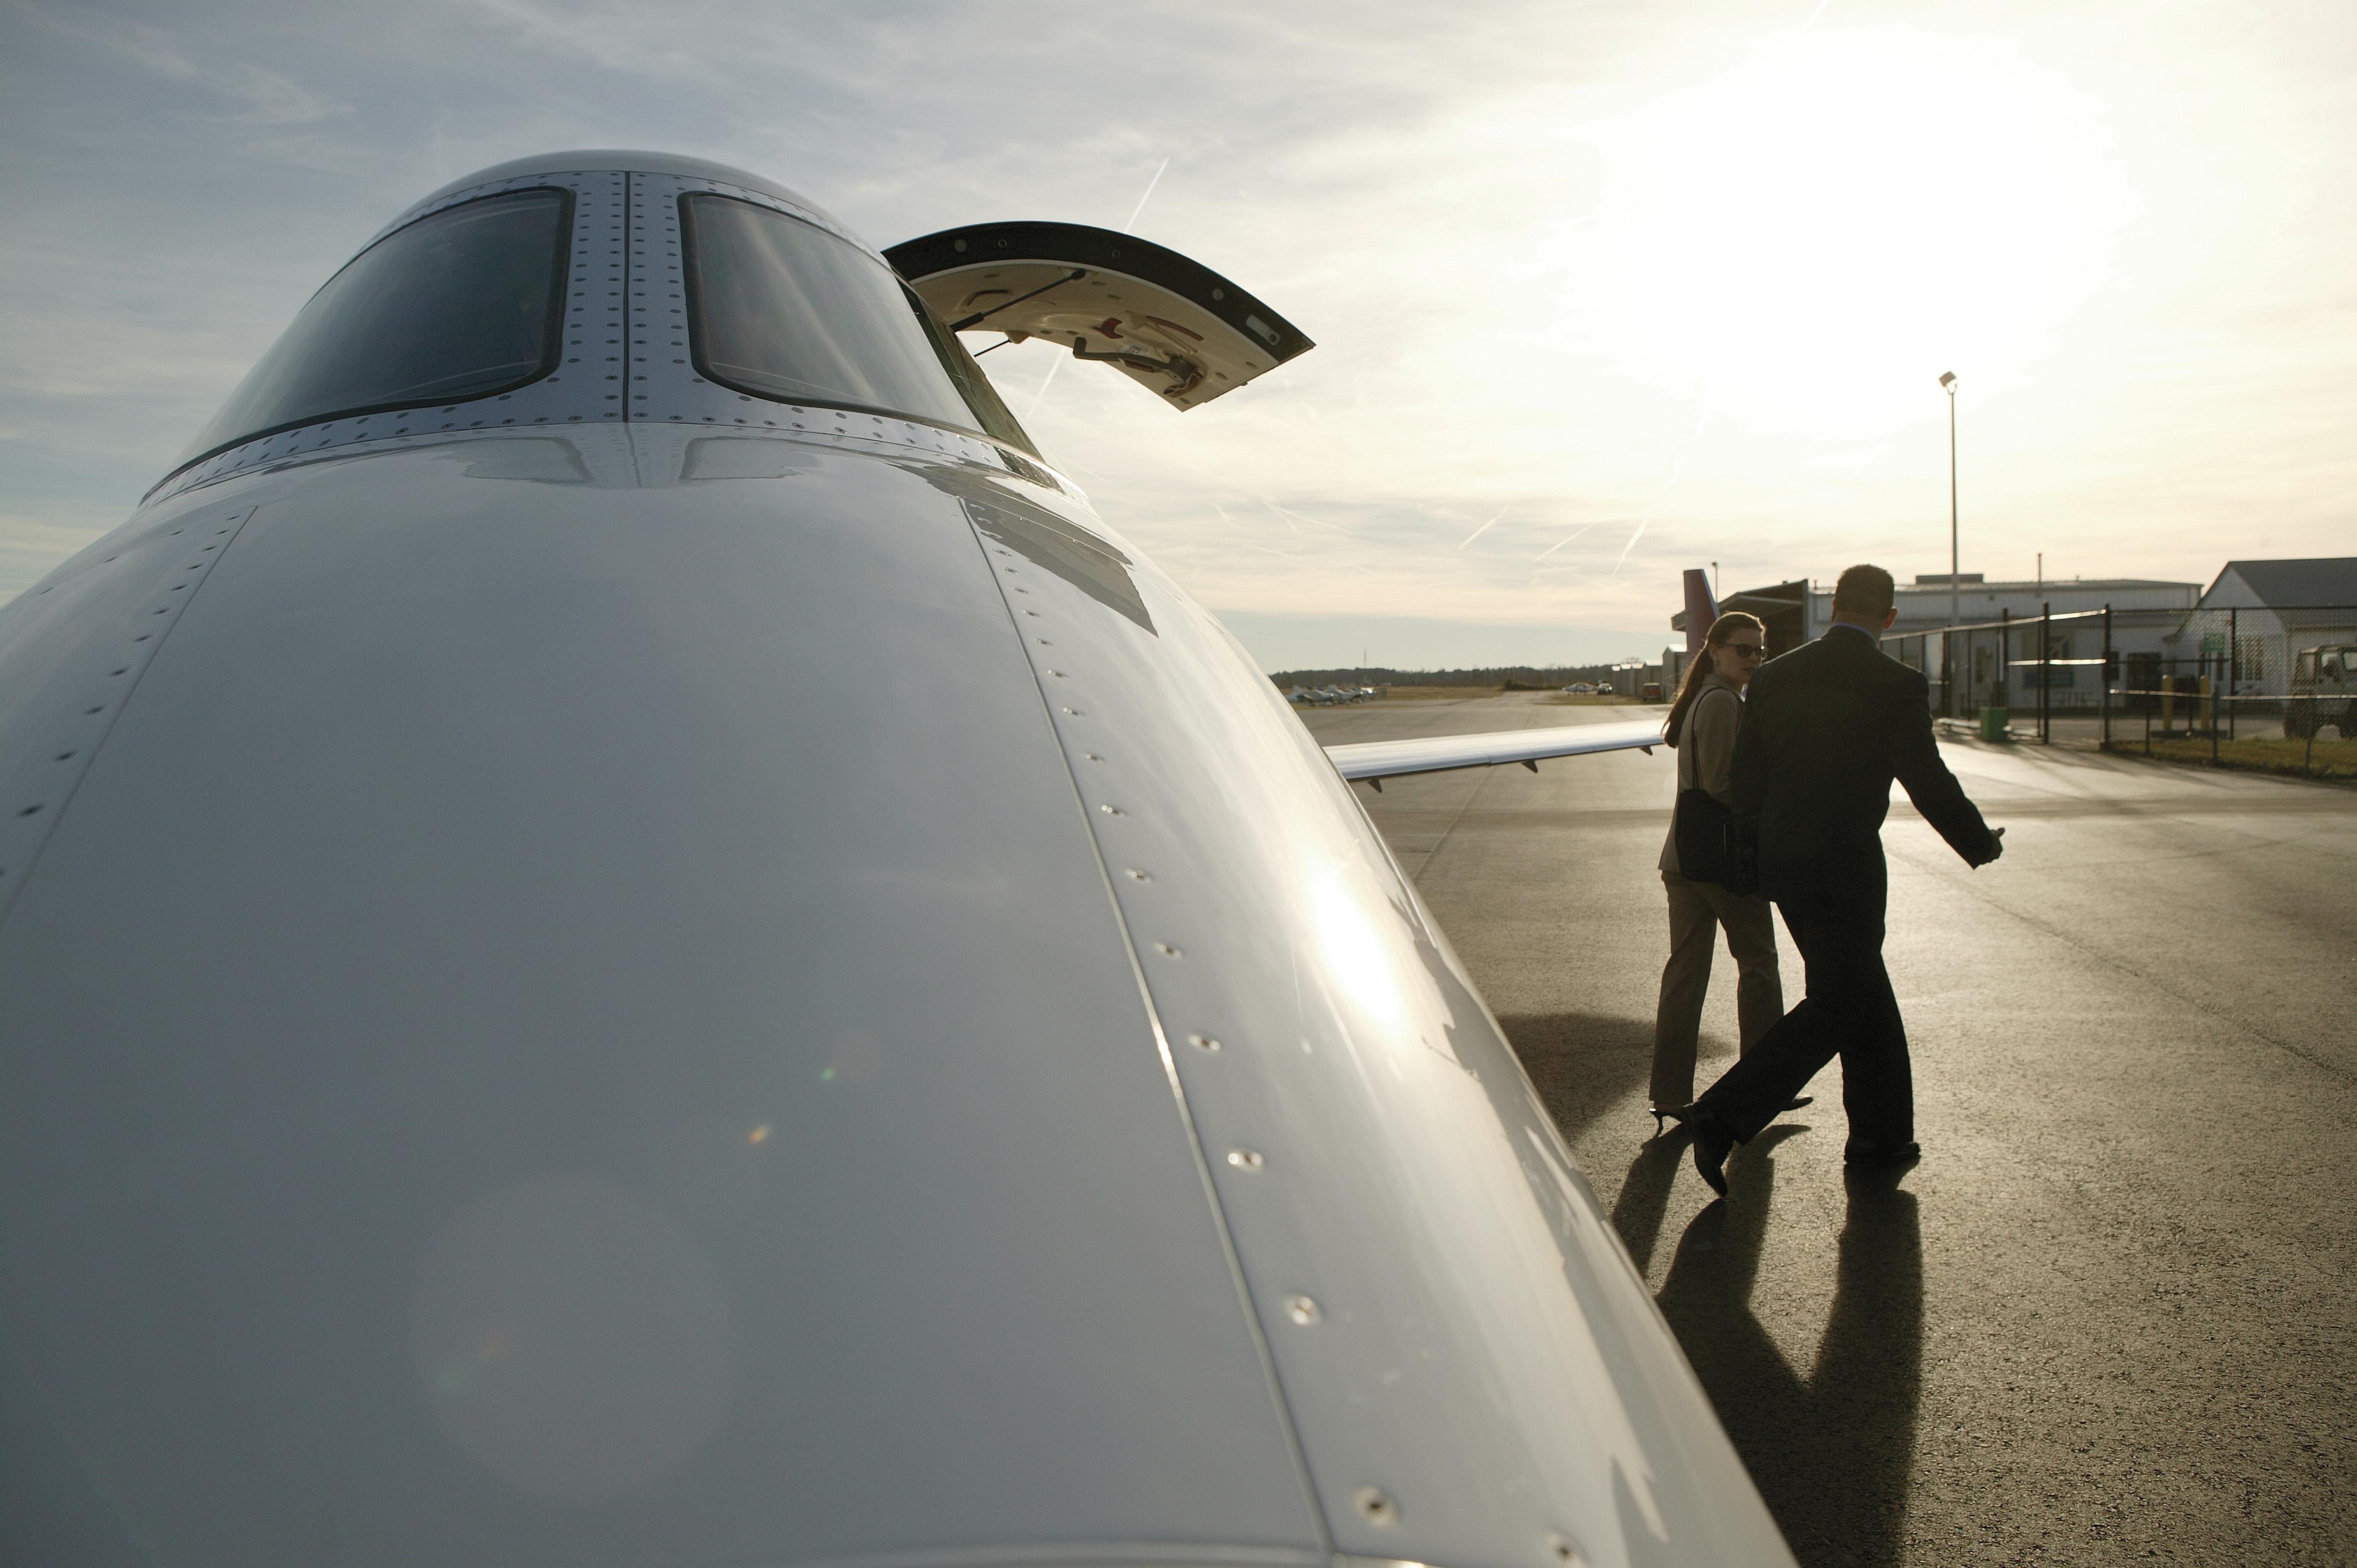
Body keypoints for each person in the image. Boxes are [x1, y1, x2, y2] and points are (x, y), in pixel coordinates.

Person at [1688, 564, 2005, 1196]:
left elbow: (1747, 780)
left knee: (1862, 996)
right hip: (1846, 868)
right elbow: (1925, 776)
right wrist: (1976, 841)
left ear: (1833, 607)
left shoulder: (1774, 676)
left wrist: (1760, 853)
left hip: (1785, 867)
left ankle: (1880, 1139)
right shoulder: (1894, 683)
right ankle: (1721, 1115)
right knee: (1842, 1002)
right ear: (1888, 618)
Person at [1647, 611, 1785, 1131]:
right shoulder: (1725, 702)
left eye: (1759, 651)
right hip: (1721, 862)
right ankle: (1763, 1087)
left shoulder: (1700, 698)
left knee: (1685, 973)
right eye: (1743, 650)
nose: (1752, 659)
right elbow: (1727, 787)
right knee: (1759, 963)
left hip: (1683, 857)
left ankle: (1670, 1093)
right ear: (1716, 650)